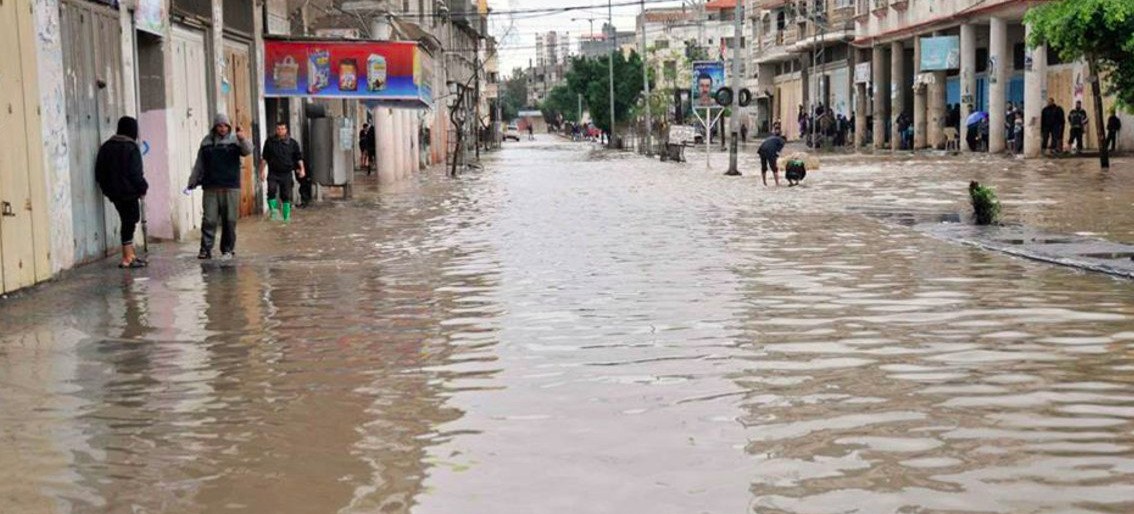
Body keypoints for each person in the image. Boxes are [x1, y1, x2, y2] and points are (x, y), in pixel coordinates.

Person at [187, 112, 252, 260]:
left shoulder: (236, 141)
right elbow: (199, 164)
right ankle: (205, 249)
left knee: (229, 220)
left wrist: (242, 138)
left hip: (230, 187)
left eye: (225, 126)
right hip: (210, 187)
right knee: (209, 220)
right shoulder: (206, 143)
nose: (222, 128)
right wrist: (192, 180)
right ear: (215, 127)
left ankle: (227, 249)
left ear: (228, 127)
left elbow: (248, 151)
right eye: (219, 125)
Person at [95, 116, 149, 269]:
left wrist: (107, 189)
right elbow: (136, 174)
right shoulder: (131, 147)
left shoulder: (106, 147)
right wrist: (143, 187)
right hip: (129, 192)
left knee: (128, 220)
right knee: (130, 221)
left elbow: (99, 172)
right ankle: (127, 257)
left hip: (113, 192)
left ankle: (130, 254)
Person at [260, 121, 305, 222]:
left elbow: (299, 157)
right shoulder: (270, 142)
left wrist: (302, 169)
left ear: (286, 130)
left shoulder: (292, 143)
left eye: (282, 129)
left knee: (286, 196)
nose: (280, 131)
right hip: (273, 172)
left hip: (286, 173)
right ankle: (274, 213)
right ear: (276, 130)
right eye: (278, 129)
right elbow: (264, 158)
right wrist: (262, 171)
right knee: (271, 190)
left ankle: (286, 218)